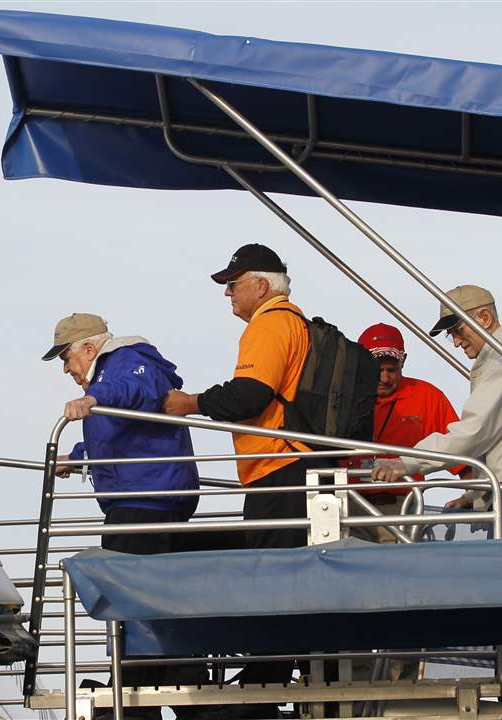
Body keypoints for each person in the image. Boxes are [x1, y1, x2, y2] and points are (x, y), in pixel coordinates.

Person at [371, 285, 502, 707]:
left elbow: (475, 431)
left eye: (457, 330)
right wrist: (476, 492)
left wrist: (406, 462)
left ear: (483, 319)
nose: (455, 341)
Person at [162, 244, 310, 711]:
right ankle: (271, 671)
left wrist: (190, 403)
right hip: (290, 465)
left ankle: (266, 677)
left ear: (261, 286)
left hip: (279, 466)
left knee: (272, 576)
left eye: (233, 283)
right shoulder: (295, 322)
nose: (228, 293)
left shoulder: (270, 322)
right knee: (284, 576)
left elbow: (249, 394)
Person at [44, 312, 201, 712]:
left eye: (66, 358)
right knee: (140, 595)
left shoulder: (127, 361)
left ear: (89, 348)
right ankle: (145, 678)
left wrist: (91, 398)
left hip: (147, 500)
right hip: (139, 497)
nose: (66, 369)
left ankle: (140, 683)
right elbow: (120, 432)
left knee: (133, 595)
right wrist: (78, 457)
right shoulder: (110, 375)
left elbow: (131, 389)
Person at [352, 322, 467, 546]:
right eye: (378, 370)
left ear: (402, 362)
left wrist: (471, 497)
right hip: (348, 503)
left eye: (391, 370)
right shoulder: (343, 396)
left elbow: (462, 454)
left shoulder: (427, 397)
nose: (384, 378)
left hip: (401, 507)